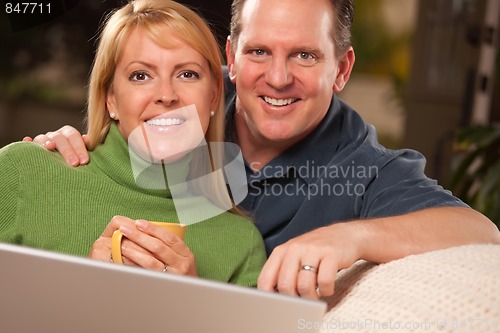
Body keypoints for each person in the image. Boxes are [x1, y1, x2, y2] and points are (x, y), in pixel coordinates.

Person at [24, 0, 500, 300]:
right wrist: (65, 152)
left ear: (341, 68)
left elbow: (481, 231)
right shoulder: (188, 114)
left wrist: (345, 238)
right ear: (230, 58)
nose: (277, 78)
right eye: (259, 52)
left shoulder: (361, 167)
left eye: (305, 55)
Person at [0, 0, 267, 287]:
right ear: (110, 98)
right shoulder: (22, 174)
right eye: (141, 75)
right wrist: (79, 290)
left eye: (187, 74)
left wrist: (191, 303)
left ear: (214, 95)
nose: (166, 95)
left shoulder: (242, 245)